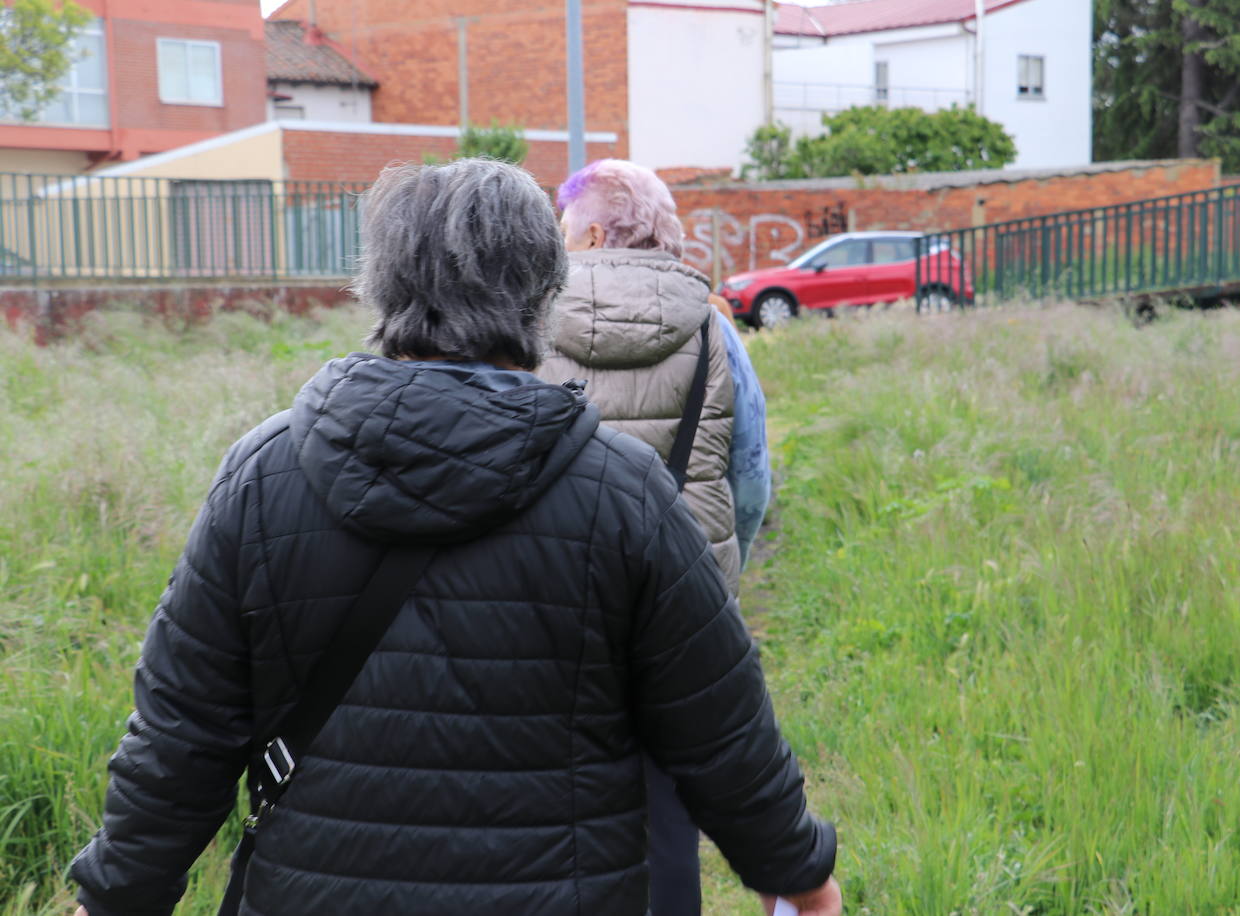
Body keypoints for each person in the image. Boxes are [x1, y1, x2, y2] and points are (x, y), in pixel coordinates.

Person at [66, 160, 839, 916]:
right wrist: (799, 874)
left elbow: (181, 737)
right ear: (543, 290)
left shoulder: (265, 474)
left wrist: (115, 897)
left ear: (381, 283)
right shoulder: (622, 490)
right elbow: (721, 729)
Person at [537, 159, 774, 916]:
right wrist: (709, 562)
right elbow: (751, 481)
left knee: (545, 803)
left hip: (552, 600)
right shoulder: (714, 330)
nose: (558, 240)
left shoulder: (526, 324)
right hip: (681, 605)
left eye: (563, 226)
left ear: (597, 232)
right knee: (667, 814)